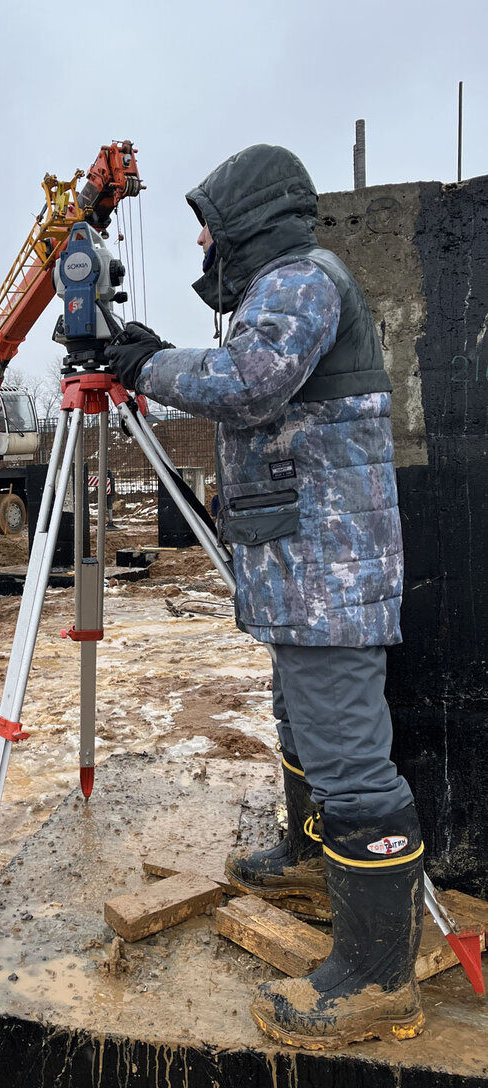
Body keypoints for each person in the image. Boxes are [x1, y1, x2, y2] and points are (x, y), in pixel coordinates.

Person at [105, 144, 424, 1051]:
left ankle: (377, 981)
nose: (201, 243)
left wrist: (145, 363)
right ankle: (308, 862)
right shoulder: (279, 287)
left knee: (351, 762)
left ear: (246, 220)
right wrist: (153, 358)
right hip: (304, 571)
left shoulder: (299, 279)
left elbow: (249, 383)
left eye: (209, 226)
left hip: (329, 574)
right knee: (302, 723)